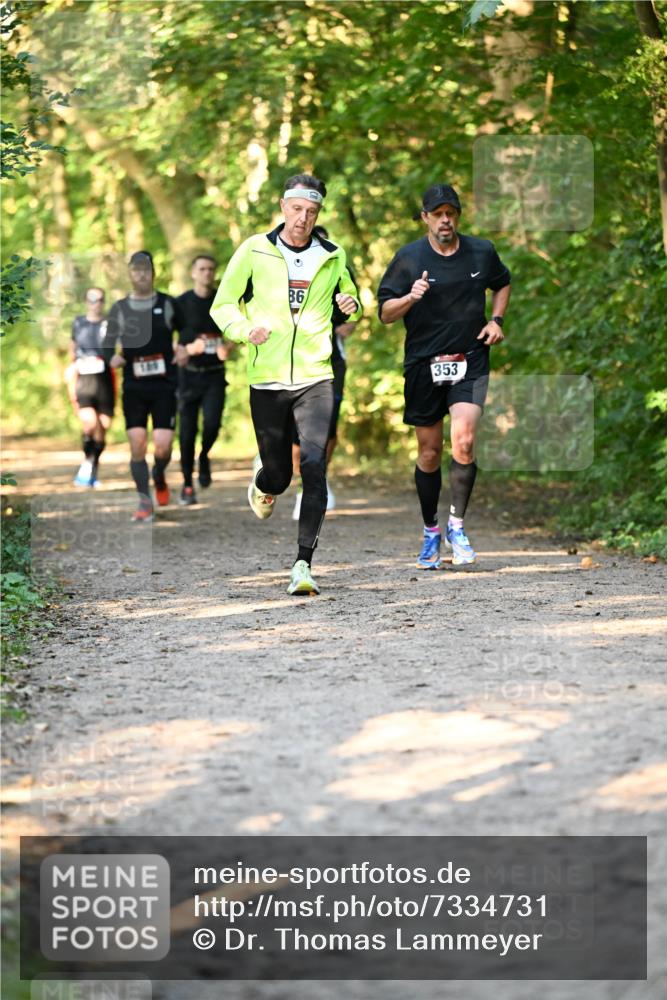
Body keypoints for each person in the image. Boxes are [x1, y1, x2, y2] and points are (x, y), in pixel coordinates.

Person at [211, 173, 362, 595]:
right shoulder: (255, 250)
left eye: (311, 212)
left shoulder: (332, 254)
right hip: (268, 378)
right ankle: (263, 481)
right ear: (283, 207)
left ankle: (303, 565)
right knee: (279, 474)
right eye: (297, 209)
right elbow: (222, 305)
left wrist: (351, 305)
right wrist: (243, 330)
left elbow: (350, 301)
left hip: (317, 374)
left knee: (314, 465)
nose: (303, 218)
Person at [378, 183, 511, 568]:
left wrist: (496, 320)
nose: (445, 220)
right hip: (423, 363)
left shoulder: (481, 251)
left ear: (458, 215)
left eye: (450, 212)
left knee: (464, 441)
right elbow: (385, 313)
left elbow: (502, 282)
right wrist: (410, 297)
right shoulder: (408, 258)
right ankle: (430, 530)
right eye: (437, 214)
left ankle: (457, 525)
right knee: (430, 452)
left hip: (470, 357)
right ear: (425, 218)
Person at [104, 251, 180, 523]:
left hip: (164, 386)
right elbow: (106, 342)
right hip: (134, 386)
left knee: (162, 446)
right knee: (137, 443)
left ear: (153, 273)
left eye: (145, 270)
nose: (141, 274)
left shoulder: (168, 304)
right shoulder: (119, 308)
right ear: (130, 274)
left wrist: (183, 349)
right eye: (135, 270)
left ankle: (159, 474)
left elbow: (187, 332)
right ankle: (144, 501)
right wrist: (110, 356)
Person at [291, 224, 357, 520]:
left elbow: (356, 311)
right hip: (293, 360)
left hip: (331, 361)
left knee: (327, 428)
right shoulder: (288, 269)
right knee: (296, 433)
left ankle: (319, 481)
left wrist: (345, 325)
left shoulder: (340, 268)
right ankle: (304, 486)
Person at [174, 255, 229, 506]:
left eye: (211, 269)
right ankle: (187, 484)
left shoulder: (224, 300)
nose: (207, 273)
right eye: (202, 269)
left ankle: (205, 455)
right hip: (188, 378)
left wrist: (228, 346)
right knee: (186, 434)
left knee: (212, 425)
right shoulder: (181, 303)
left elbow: (237, 332)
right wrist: (185, 351)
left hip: (215, 375)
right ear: (193, 273)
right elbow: (168, 340)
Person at [66, 287, 115, 487]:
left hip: (105, 379)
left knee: (103, 426)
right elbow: (72, 349)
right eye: (92, 299)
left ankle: (93, 465)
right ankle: (86, 464)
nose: (96, 303)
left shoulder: (110, 324)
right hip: (84, 379)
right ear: (86, 301)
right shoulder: (78, 322)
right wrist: (70, 368)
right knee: (90, 423)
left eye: (100, 299)